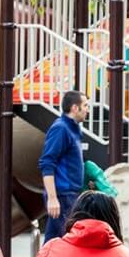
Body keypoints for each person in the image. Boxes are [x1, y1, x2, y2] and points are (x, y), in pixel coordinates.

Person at [39, 90, 89, 241]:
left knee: (54, 241)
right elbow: (47, 162)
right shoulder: (61, 128)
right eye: (85, 105)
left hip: (69, 195)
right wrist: (53, 198)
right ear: (75, 108)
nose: (87, 109)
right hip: (63, 196)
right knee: (68, 242)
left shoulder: (73, 128)